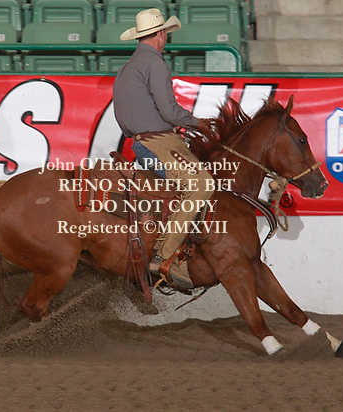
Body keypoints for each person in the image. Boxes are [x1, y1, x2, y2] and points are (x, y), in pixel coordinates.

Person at [113, 8, 214, 290]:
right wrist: (197, 123)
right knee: (203, 183)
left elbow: (124, 118)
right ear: (160, 34)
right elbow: (169, 111)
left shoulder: (126, 68)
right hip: (158, 143)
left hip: (139, 143)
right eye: (165, 33)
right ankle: (166, 256)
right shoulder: (155, 64)